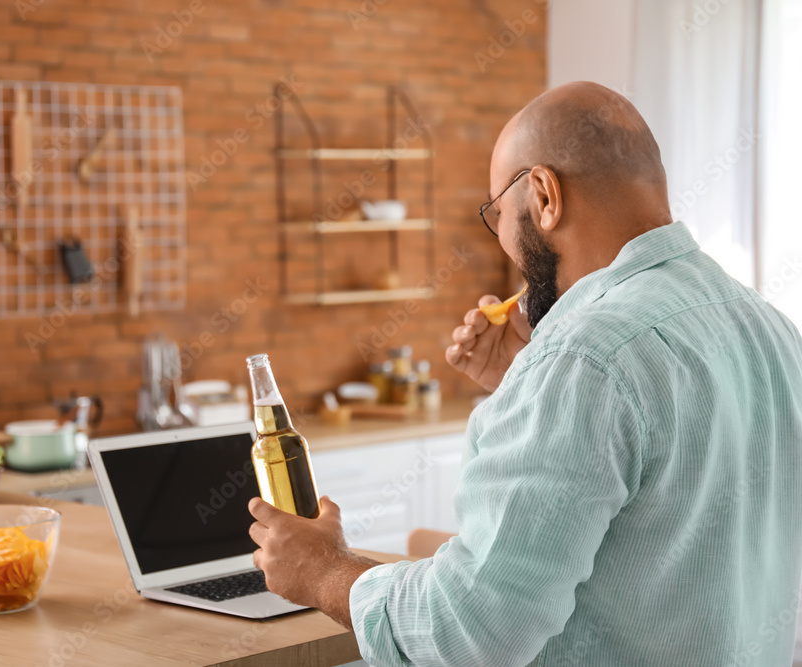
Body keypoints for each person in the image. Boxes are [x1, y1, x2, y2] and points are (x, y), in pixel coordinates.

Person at [247, 81, 802, 665]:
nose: (506, 242)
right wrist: (525, 383)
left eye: (497, 213)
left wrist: (323, 570)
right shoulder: (766, 326)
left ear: (543, 195)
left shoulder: (582, 358)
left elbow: (469, 631)